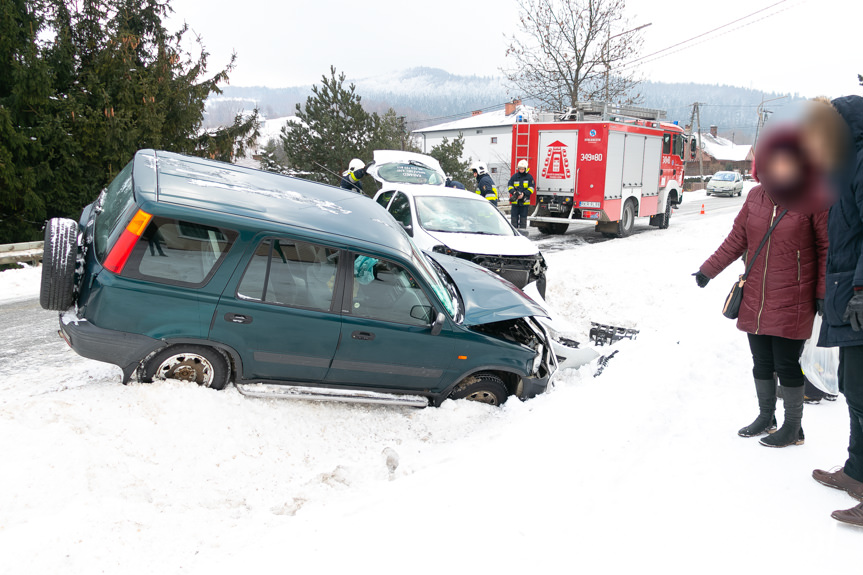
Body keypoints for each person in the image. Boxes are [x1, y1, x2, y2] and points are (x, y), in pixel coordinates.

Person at [694, 127, 828, 448]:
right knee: (761, 362)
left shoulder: (814, 199)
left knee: (786, 363)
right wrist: (708, 270)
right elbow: (737, 239)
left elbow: (827, 249)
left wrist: (823, 293)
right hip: (756, 294)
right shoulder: (756, 196)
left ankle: (793, 427)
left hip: (793, 297)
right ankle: (767, 416)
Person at [803, 95, 863, 527]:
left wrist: (861, 288)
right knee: (854, 391)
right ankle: (857, 473)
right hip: (848, 297)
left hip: (859, 299)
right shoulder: (847, 167)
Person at [507, 159, 534, 229]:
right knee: (514, 218)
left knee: (523, 219)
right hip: (515, 202)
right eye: (520, 169)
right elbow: (509, 186)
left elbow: (531, 188)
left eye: (522, 169)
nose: (521, 170)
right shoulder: (514, 177)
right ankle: (514, 232)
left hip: (524, 202)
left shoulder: (529, 177)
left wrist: (523, 194)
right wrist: (514, 192)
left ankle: (522, 232)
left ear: (526, 169)